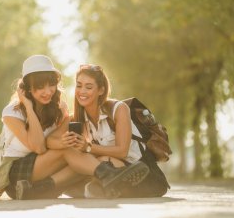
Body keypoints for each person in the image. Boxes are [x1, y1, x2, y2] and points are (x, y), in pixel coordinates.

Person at [0, 55, 149, 200]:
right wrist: (28, 108)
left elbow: (53, 142)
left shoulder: (58, 109)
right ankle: (108, 174)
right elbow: (38, 146)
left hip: (41, 173)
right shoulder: (12, 112)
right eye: (39, 87)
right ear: (27, 88)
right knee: (72, 151)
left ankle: (38, 190)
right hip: (16, 174)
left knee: (76, 154)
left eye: (51, 85)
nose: (47, 91)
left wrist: (67, 141)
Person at [72, 64, 170, 198]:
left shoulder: (119, 109)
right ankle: (94, 187)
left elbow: (122, 151)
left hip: (144, 175)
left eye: (88, 87)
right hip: (112, 171)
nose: (82, 91)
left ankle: (96, 187)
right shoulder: (78, 119)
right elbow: (53, 141)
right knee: (78, 163)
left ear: (101, 90)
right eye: (79, 85)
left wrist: (88, 147)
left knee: (101, 160)